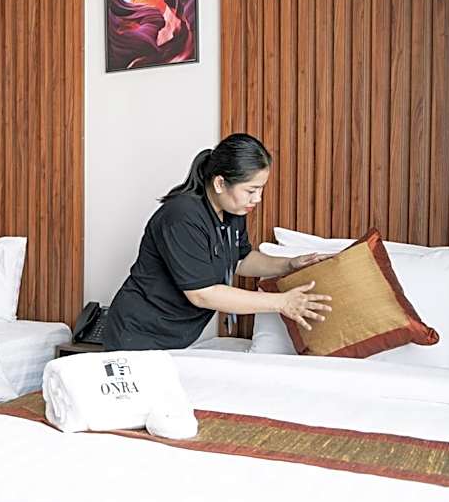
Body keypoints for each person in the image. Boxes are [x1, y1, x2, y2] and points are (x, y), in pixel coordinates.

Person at [103, 133, 333, 351]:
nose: (258, 199)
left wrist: (289, 264)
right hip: (138, 334)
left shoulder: (233, 212)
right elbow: (202, 294)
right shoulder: (181, 217)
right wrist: (282, 302)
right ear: (220, 183)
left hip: (175, 337)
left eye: (261, 189)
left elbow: (240, 260)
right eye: (251, 190)